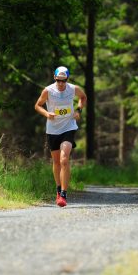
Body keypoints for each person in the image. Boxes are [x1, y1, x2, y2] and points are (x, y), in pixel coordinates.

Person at [35, 66, 87, 207]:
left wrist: (79, 111)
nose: (61, 83)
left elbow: (83, 97)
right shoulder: (48, 90)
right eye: (58, 80)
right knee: (56, 162)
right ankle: (58, 189)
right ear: (55, 78)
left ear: (67, 79)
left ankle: (64, 194)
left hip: (69, 127)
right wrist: (47, 114)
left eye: (64, 81)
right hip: (52, 130)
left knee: (64, 160)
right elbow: (37, 105)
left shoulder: (73, 89)